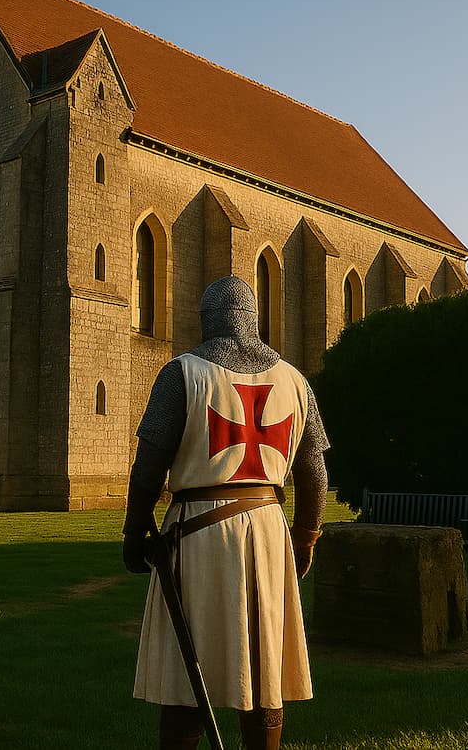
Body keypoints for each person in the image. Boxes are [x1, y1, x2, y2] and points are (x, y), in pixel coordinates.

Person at [123, 276, 330, 750]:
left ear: (207, 320)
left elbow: (149, 466)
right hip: (268, 534)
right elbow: (315, 471)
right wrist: (305, 536)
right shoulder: (295, 381)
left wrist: (134, 534)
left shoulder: (183, 374)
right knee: (264, 667)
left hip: (198, 536)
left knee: (185, 670)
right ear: (252, 320)